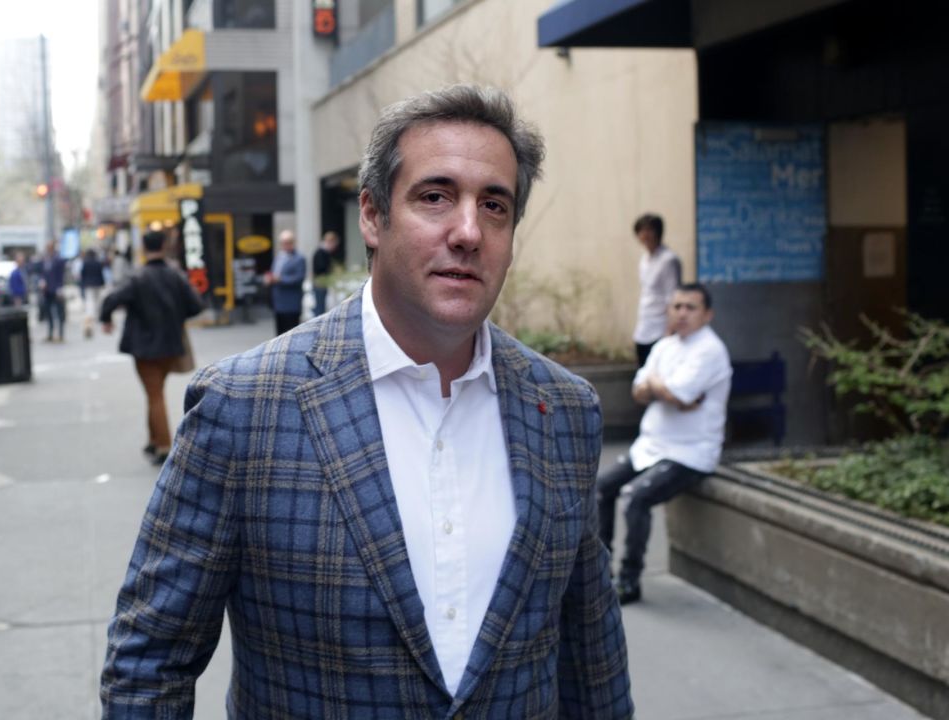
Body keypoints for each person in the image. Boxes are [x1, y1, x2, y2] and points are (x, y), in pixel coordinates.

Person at [102, 85, 633, 717]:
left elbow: (590, 652)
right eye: (435, 197)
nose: (468, 231)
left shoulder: (565, 411)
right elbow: (149, 662)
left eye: (495, 206)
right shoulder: (244, 407)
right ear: (373, 218)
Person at [597, 283, 731, 605]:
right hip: (650, 447)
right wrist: (666, 391)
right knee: (601, 488)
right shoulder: (664, 347)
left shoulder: (710, 350)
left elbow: (673, 394)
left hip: (690, 453)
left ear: (707, 314)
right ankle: (601, 574)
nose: (682, 313)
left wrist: (659, 387)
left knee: (634, 496)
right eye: (677, 306)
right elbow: (640, 392)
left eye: (691, 307)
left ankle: (629, 582)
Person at [99, 230, 203, 466]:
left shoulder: (138, 276)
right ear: (165, 245)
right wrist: (177, 315)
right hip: (171, 345)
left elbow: (111, 299)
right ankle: (153, 440)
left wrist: (106, 318)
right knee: (155, 392)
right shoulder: (175, 275)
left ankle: (165, 446)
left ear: (144, 247)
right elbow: (196, 305)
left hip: (143, 348)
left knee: (154, 395)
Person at [631, 213, 681, 367]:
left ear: (658, 232)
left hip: (661, 328)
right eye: (641, 231)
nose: (645, 235)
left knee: (659, 372)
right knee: (643, 371)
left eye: (649, 230)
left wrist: (669, 331)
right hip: (644, 324)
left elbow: (672, 297)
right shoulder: (644, 259)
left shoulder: (668, 260)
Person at [264, 229, 306, 335]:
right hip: (278, 302)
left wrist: (280, 279)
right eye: (283, 243)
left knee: (292, 333)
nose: (284, 245)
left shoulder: (299, 258)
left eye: (287, 243)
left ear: (292, 243)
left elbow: (299, 278)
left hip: (291, 303)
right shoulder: (279, 257)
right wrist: (269, 279)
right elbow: (274, 272)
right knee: (279, 334)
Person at [37, 241, 67, 342]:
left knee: (60, 313)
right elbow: (42, 273)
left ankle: (61, 334)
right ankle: (50, 334)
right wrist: (42, 281)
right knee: (48, 313)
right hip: (47, 290)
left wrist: (60, 288)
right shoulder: (45, 260)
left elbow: (61, 275)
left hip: (56, 289)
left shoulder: (58, 260)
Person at [311, 230, 342, 316]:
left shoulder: (323, 252)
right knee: (320, 309)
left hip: (321, 283)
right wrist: (332, 269)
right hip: (320, 284)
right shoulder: (321, 253)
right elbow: (321, 268)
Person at [79, 247, 107, 338]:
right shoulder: (98, 262)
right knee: (97, 300)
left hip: (88, 284)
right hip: (97, 284)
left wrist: (82, 284)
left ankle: (90, 315)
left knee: (90, 300)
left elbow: (82, 274)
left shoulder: (85, 262)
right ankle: (96, 315)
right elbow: (101, 273)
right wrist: (103, 283)